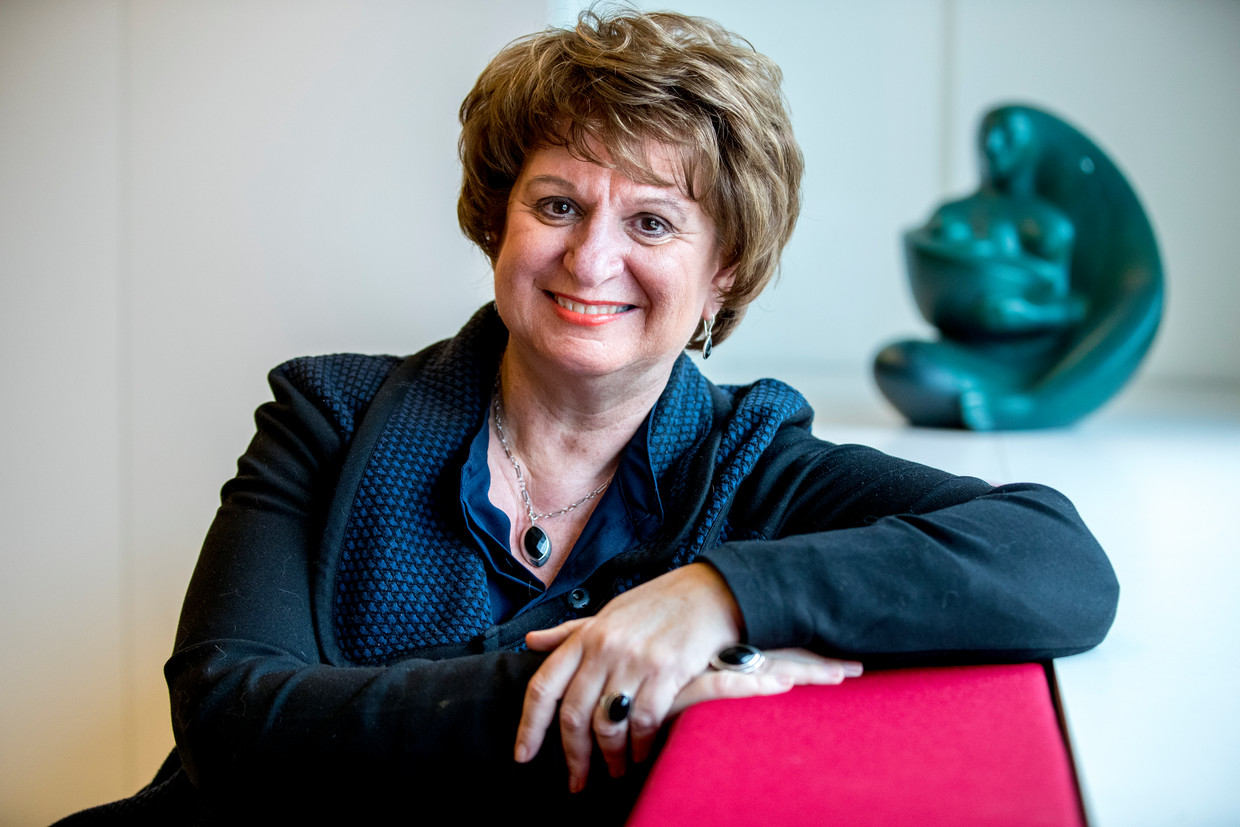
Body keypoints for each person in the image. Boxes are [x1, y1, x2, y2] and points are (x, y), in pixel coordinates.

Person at [56, 9, 1118, 825]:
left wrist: (714, 596)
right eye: (557, 204)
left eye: (652, 221)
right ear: (499, 222)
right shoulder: (326, 413)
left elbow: (1056, 561)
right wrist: (621, 686)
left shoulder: (750, 465)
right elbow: (233, 724)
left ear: (724, 271)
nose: (591, 257)